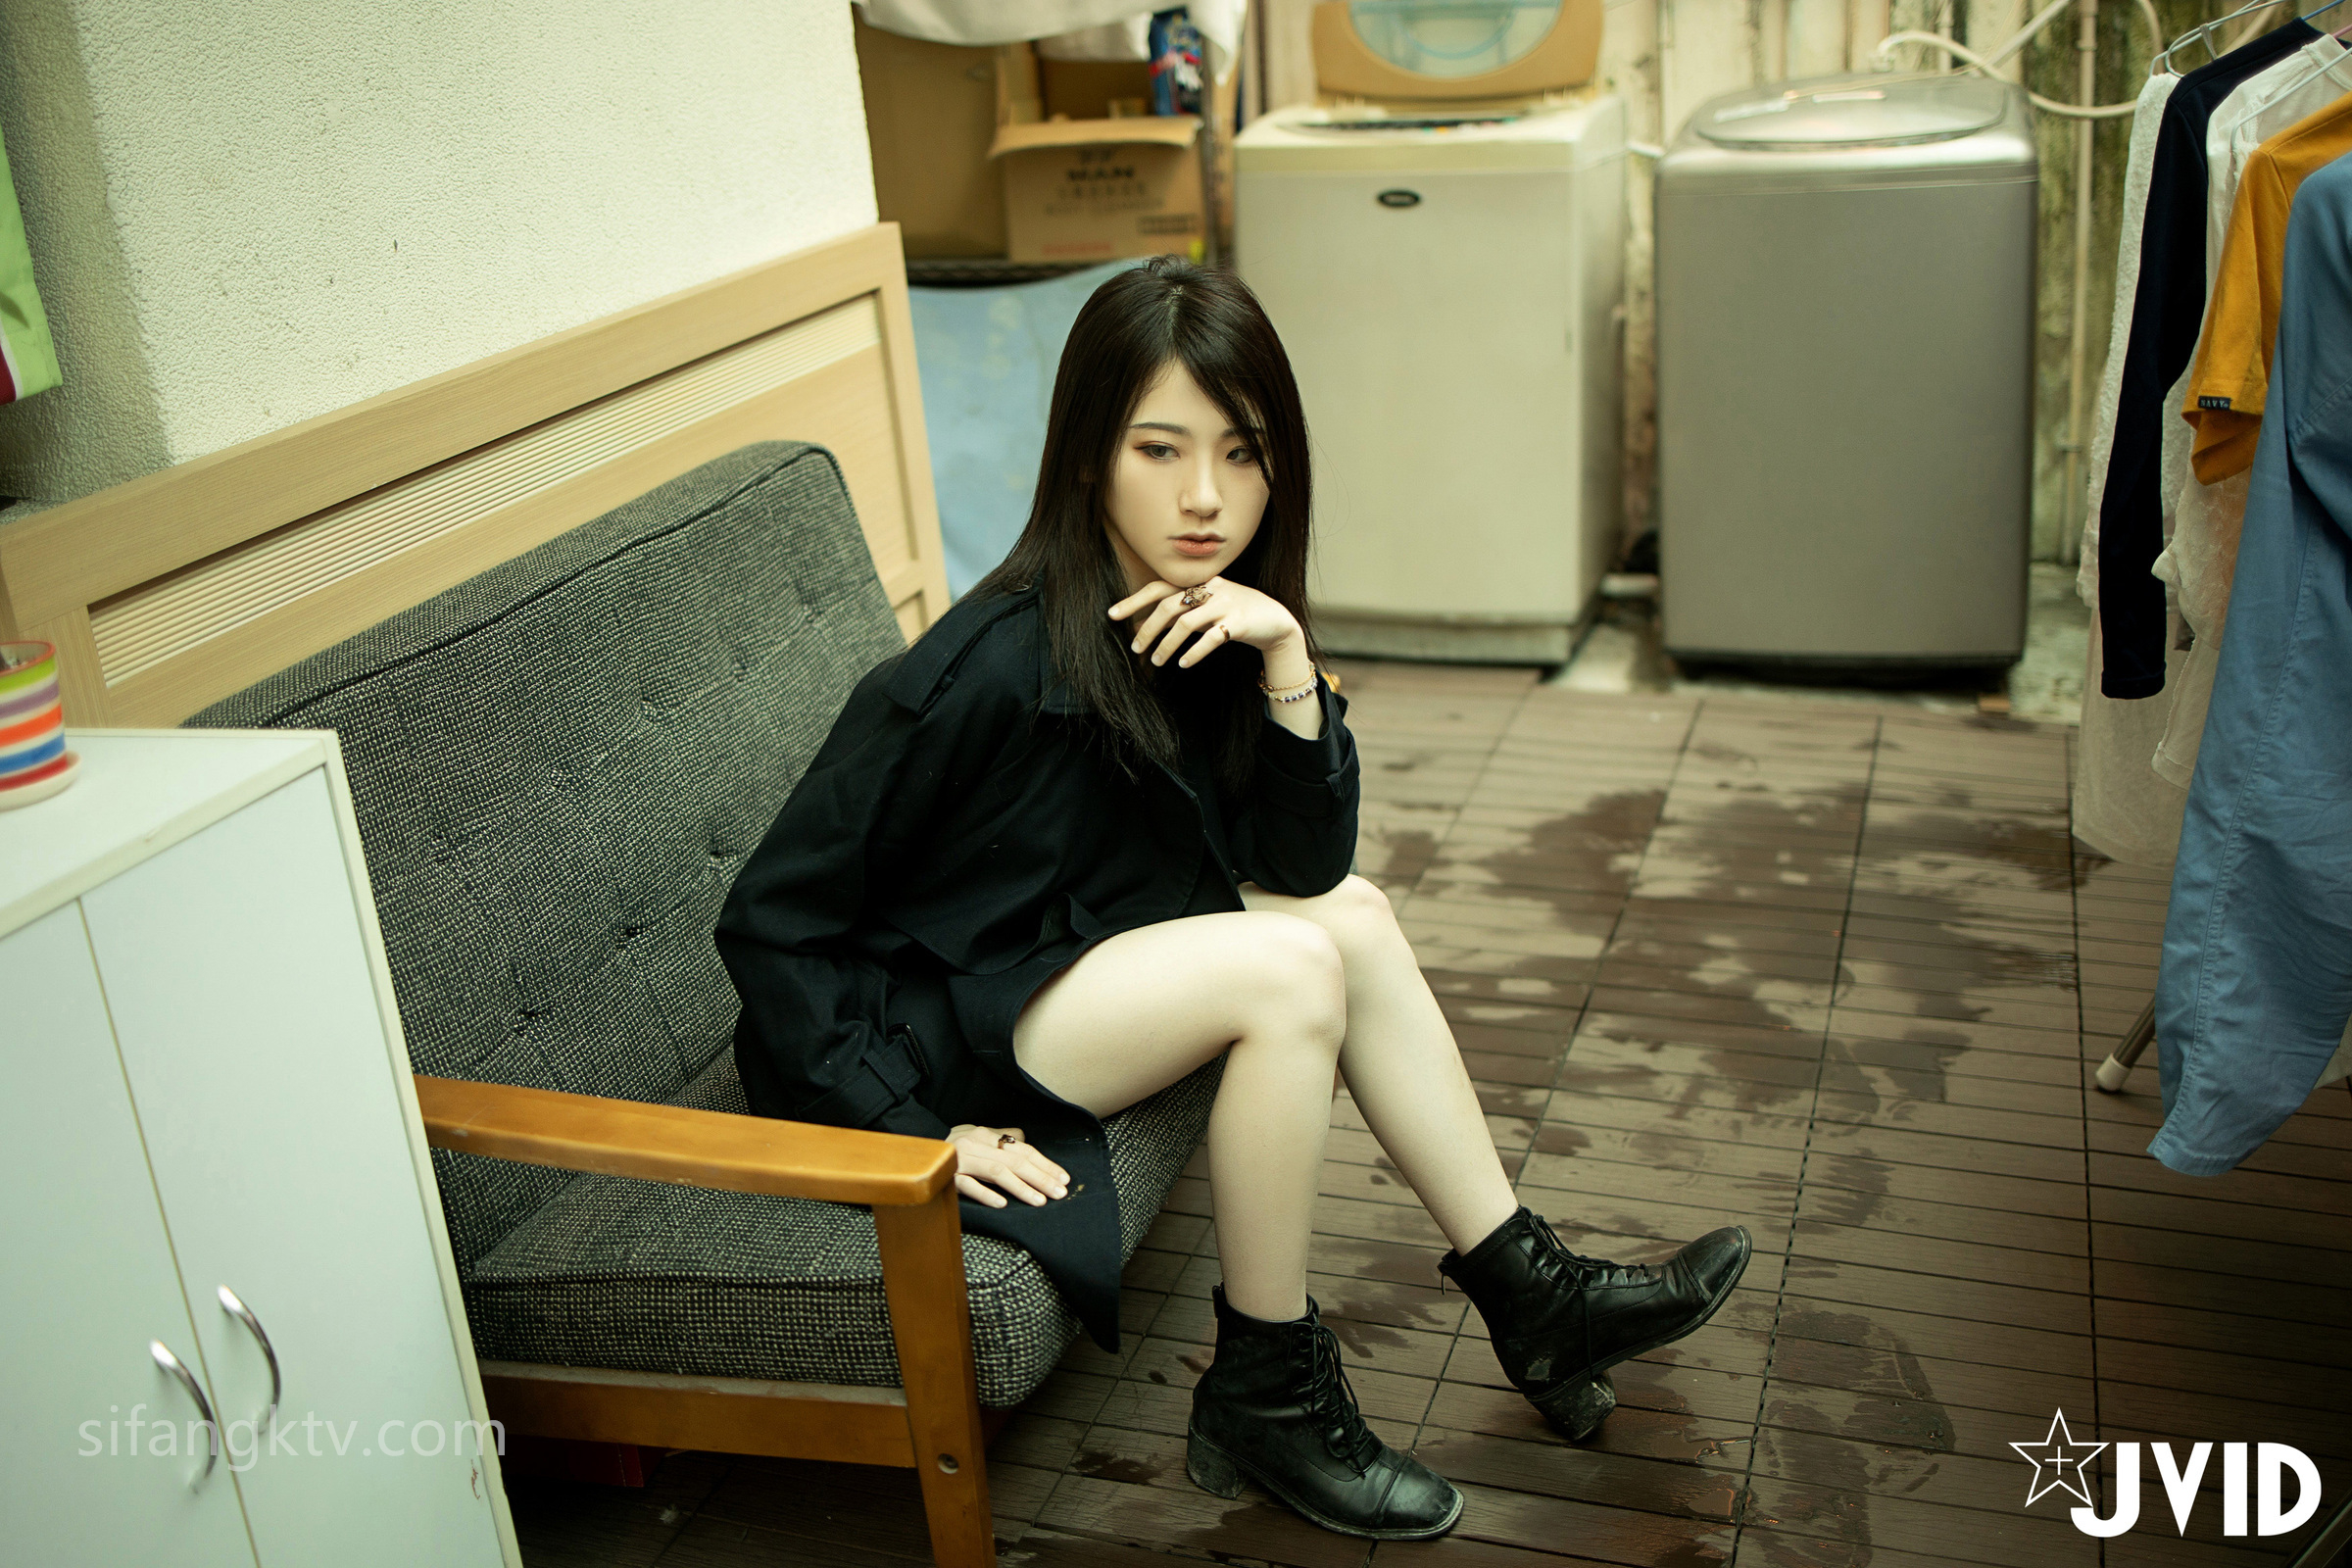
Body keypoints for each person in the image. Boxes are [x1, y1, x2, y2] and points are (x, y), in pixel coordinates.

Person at [715, 257, 1751, 1542]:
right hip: (930, 1037)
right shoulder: (981, 667)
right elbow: (772, 918)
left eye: (1242, 453)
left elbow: (1307, 867)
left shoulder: (1203, 621)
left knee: (1353, 921)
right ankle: (1265, 1385)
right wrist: (909, 1132)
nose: (1204, 496)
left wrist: (1288, 664)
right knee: (1291, 972)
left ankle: (1533, 1294)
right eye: (1160, 450)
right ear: (1088, 455)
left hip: (1053, 969)